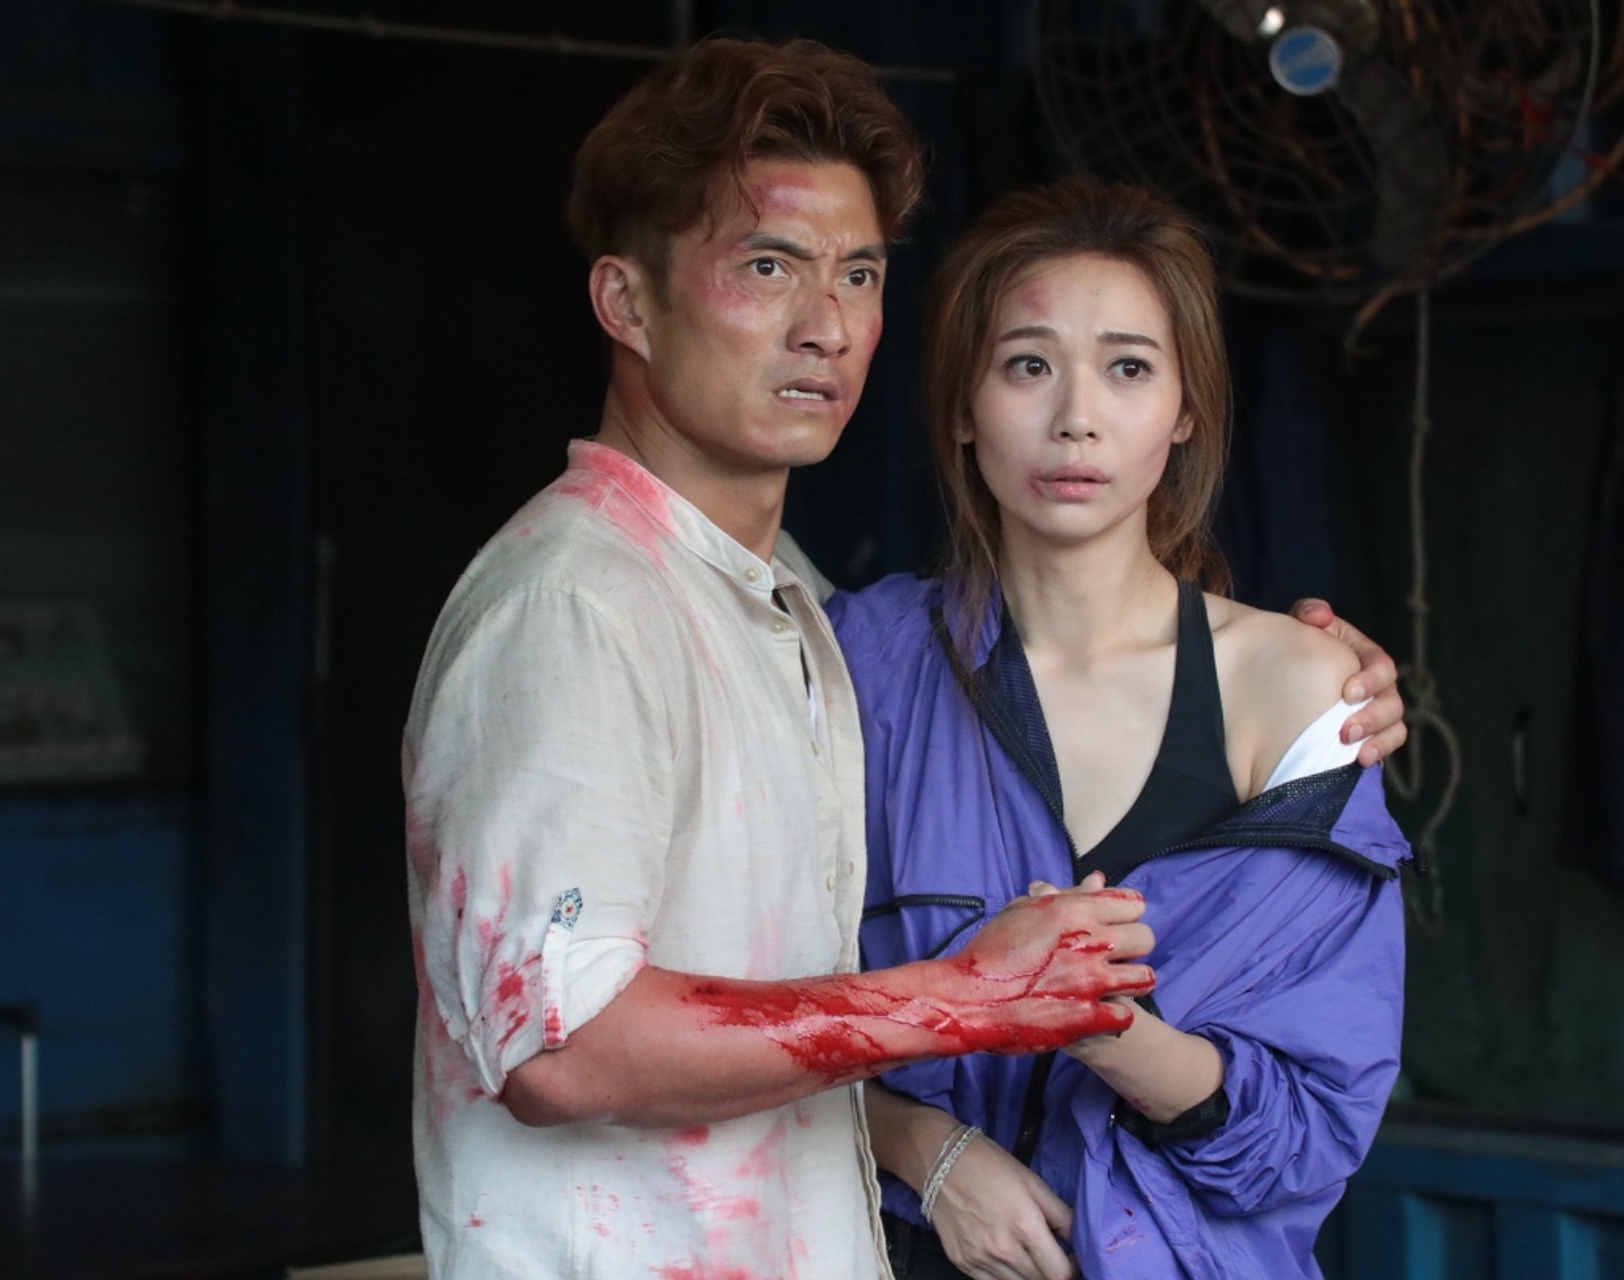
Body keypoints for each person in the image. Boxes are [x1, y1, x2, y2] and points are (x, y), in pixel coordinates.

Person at [403, 35, 1405, 1280]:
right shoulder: (582, 608)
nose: (824, 326)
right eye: (767, 266)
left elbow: (1313, 1107)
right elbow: (558, 1047)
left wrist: (1317, 668)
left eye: (859, 274)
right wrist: (963, 1030)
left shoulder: (787, 617)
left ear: (1187, 407)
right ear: (628, 303)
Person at [827, 180, 1412, 1280]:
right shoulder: (855, 667)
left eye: (1129, 368)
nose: (1076, 417)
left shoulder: (1299, 692)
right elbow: (739, 1028)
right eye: (1027, 364)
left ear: (1186, 409)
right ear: (962, 406)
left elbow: (1308, 1131)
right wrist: (923, 1148)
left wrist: (1102, 1026)